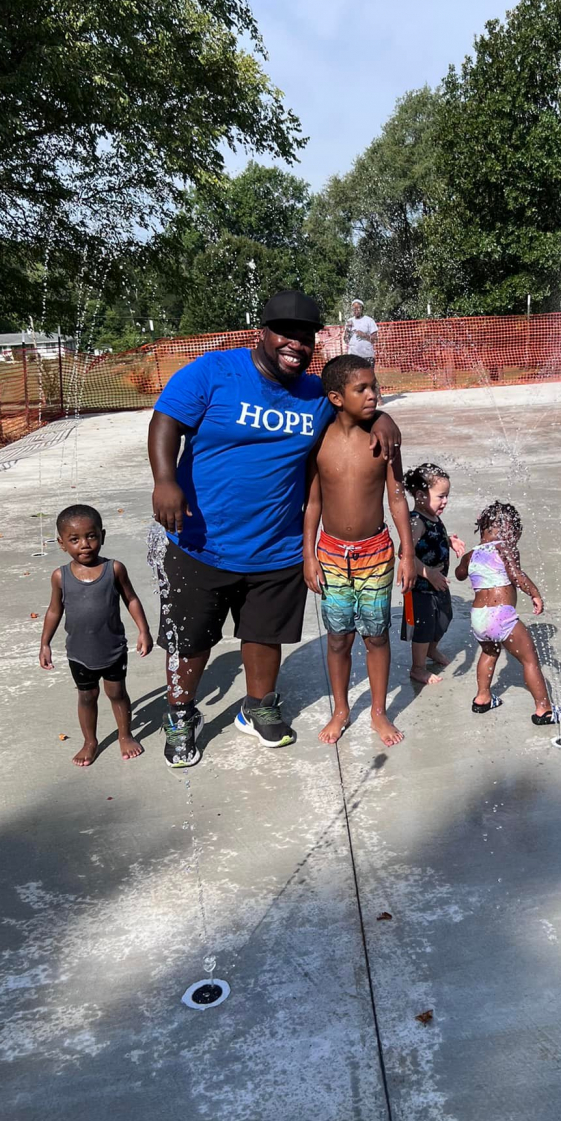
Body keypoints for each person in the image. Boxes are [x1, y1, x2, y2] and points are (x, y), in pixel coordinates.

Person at [149, 290, 401, 768]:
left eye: (305, 337)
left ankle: (257, 709)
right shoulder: (215, 371)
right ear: (260, 333)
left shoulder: (312, 392)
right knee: (190, 639)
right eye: (285, 332)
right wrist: (164, 480)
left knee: (263, 637)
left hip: (277, 547)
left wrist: (385, 416)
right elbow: (166, 420)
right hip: (200, 541)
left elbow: (356, 406)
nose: (295, 344)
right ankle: (181, 714)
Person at [303, 354, 416, 747]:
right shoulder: (318, 441)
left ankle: (379, 712)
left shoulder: (382, 439)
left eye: (375, 387)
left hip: (377, 554)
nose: (373, 396)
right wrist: (308, 554)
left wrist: (407, 552)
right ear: (336, 397)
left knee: (377, 636)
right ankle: (340, 709)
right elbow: (313, 503)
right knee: (338, 638)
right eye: (362, 389)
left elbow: (397, 497)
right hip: (332, 556)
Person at [39, 504, 153, 767]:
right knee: (87, 696)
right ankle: (90, 741)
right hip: (79, 653)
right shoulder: (60, 577)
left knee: (116, 693)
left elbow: (131, 599)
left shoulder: (114, 569)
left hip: (112, 649)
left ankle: (125, 734)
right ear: (61, 543)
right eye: (74, 539)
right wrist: (44, 643)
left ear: (102, 535)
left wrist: (143, 631)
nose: (85, 545)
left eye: (91, 536)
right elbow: (54, 611)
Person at [455, 500, 561, 724]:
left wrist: (462, 558)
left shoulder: (472, 554)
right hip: (501, 615)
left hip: (479, 618)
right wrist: (534, 593)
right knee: (530, 660)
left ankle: (483, 697)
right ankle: (545, 710)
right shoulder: (505, 547)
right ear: (507, 529)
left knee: (490, 652)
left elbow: (460, 574)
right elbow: (516, 575)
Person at [401, 463, 465, 685]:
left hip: (437, 584)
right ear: (420, 496)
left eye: (447, 496)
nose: (445, 501)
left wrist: (450, 541)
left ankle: (432, 650)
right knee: (424, 627)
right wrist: (428, 574)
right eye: (441, 496)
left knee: (444, 619)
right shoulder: (416, 522)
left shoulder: (433, 517)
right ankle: (418, 668)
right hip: (420, 587)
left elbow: (433, 540)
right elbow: (404, 554)